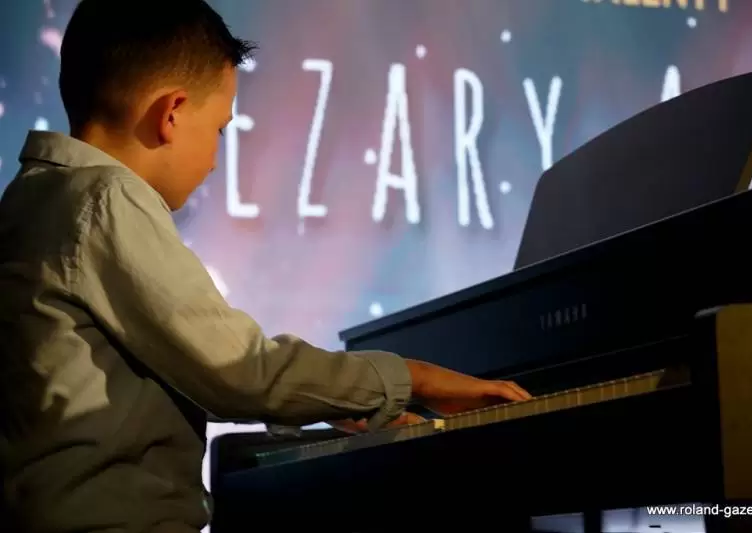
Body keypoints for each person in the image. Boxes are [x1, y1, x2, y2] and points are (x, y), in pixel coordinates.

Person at [0, 0, 531, 532]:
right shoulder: (108, 200)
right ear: (172, 113)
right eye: (220, 129)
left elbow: (180, 368)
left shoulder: (35, 197)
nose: (215, 158)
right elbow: (242, 371)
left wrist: (330, 401)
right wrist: (414, 378)